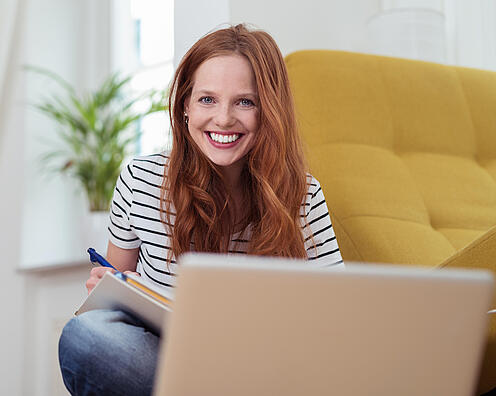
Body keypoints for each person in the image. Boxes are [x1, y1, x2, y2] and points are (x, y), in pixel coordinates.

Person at [58, 23, 344, 396]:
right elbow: (111, 298)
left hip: (253, 374)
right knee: (88, 336)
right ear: (186, 107)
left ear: (270, 110)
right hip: (161, 363)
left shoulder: (303, 195)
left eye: (245, 101)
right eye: (207, 99)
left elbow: (334, 321)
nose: (223, 119)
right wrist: (109, 288)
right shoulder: (140, 178)